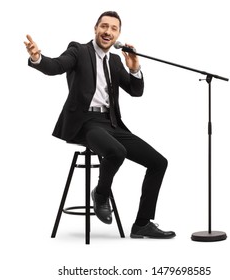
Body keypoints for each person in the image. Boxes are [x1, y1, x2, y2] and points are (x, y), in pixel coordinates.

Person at [24, 11, 175, 239]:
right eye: (104, 26)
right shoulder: (78, 50)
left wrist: (134, 68)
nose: (108, 32)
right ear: (95, 29)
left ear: (118, 35)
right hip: (84, 123)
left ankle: (142, 224)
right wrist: (37, 58)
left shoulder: (114, 60)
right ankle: (101, 194)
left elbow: (136, 92)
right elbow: (55, 66)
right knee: (116, 152)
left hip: (110, 123)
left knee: (158, 163)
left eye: (114, 29)